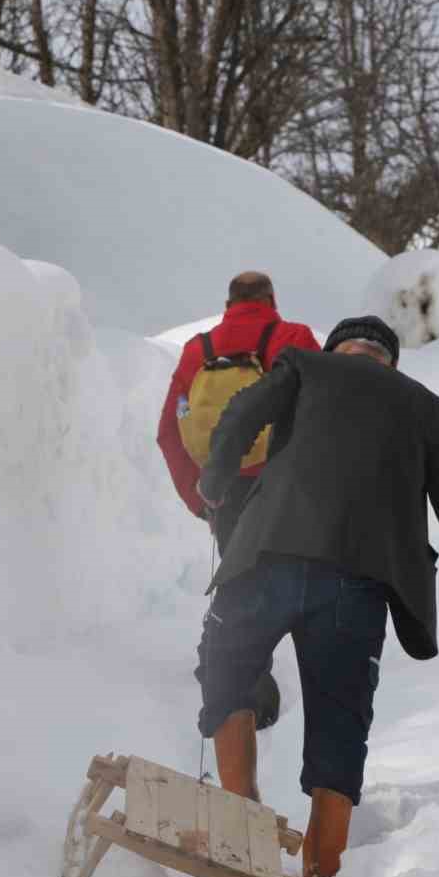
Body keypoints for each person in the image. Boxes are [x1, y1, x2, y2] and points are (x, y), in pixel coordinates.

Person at [194, 315, 439, 877]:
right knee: (340, 720)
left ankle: (242, 825)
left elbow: (238, 417)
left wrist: (216, 479)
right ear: (390, 361)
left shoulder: (304, 367)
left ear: (337, 349)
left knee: (226, 670)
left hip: (267, 559)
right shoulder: (424, 406)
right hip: (356, 584)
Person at [157, 271, 318, 731]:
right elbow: (324, 413)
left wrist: (203, 496)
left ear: (228, 303)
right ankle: (248, 688)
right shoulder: (293, 338)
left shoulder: (198, 351)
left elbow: (169, 431)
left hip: (226, 489)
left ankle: (228, 669)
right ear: (272, 299)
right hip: (283, 484)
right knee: (282, 579)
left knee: (241, 578)